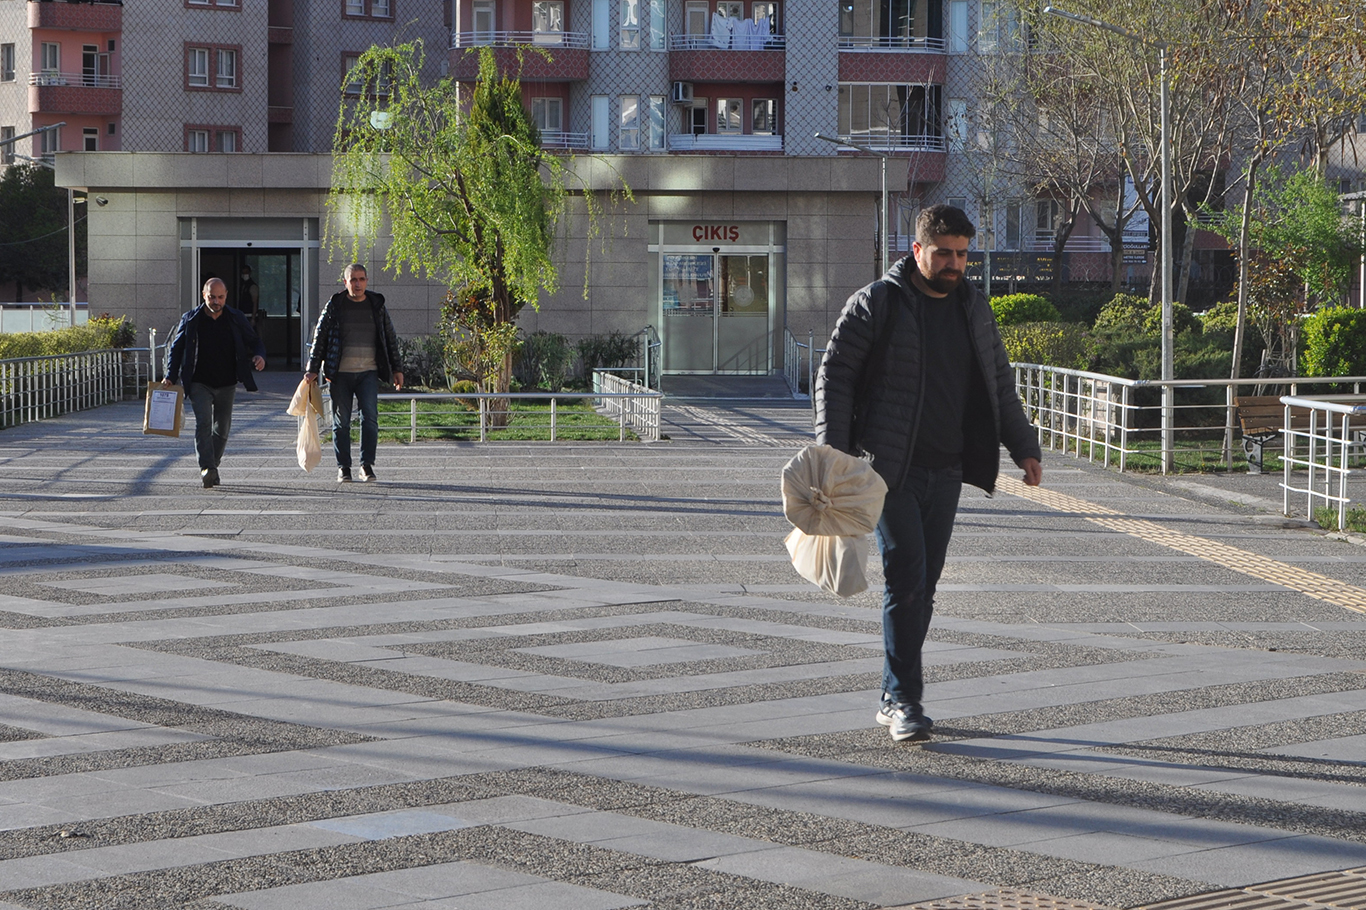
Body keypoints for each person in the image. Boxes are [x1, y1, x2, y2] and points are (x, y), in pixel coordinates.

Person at [815, 204, 1042, 743]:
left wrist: (1024, 447)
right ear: (917, 249)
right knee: (907, 578)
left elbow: (999, 385)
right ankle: (903, 700)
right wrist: (833, 454)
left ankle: (895, 691)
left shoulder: (974, 307)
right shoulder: (878, 303)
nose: (954, 264)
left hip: (948, 469)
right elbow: (835, 375)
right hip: (885, 469)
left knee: (925, 586)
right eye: (943, 253)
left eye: (962, 254)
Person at [304, 264, 404, 483]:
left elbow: (389, 337)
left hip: (368, 372)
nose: (357, 284)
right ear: (345, 282)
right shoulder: (335, 305)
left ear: (367, 281)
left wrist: (397, 369)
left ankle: (366, 466)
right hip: (340, 374)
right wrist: (312, 369)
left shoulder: (376, 305)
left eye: (361, 279)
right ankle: (344, 468)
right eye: (353, 280)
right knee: (342, 422)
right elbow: (320, 337)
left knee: (370, 419)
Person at [164, 277, 267, 488]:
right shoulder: (191, 318)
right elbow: (177, 349)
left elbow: (254, 340)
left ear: (226, 295)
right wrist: (170, 375)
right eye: (211, 297)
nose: (216, 301)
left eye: (220, 297)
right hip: (199, 382)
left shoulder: (235, 317)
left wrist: (259, 356)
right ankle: (207, 468)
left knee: (223, 428)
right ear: (204, 295)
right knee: (203, 423)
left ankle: (213, 465)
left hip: (227, 382)